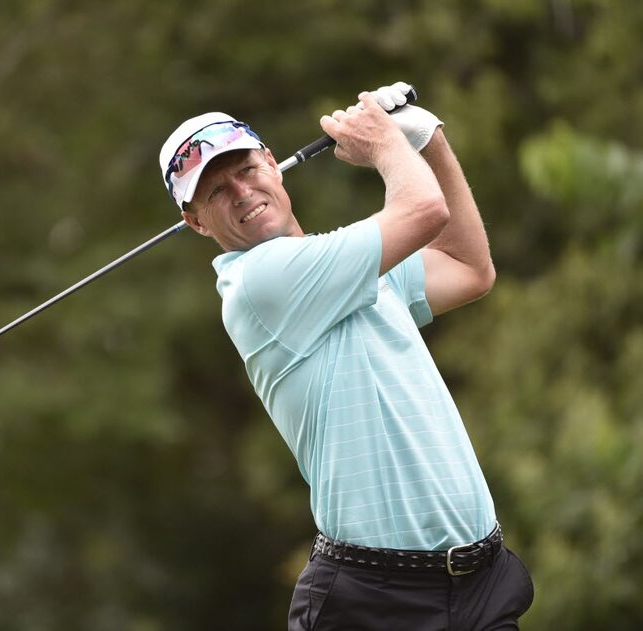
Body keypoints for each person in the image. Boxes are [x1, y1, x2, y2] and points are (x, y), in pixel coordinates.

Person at [159, 82, 534, 630]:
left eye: (245, 169)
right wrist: (386, 144)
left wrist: (428, 141)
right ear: (195, 221)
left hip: (482, 585)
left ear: (273, 163)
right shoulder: (259, 281)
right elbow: (425, 210)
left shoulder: (348, 267)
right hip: (377, 601)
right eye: (215, 190)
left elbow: (468, 267)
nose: (240, 192)